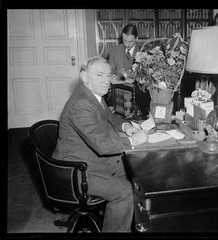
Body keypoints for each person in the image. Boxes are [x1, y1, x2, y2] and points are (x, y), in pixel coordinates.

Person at [52, 56, 149, 232]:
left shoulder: (93, 94)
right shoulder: (81, 103)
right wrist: (132, 141)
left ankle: (131, 222)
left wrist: (126, 126)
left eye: (108, 75)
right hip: (76, 171)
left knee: (137, 176)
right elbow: (102, 145)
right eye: (99, 75)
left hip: (88, 161)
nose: (106, 81)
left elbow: (110, 117)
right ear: (84, 76)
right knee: (125, 191)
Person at [108, 24, 151, 118]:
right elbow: (110, 70)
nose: (127, 44)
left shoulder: (144, 51)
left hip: (138, 93)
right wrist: (111, 76)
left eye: (130, 41)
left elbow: (147, 74)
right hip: (119, 90)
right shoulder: (114, 51)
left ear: (137, 38)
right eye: (124, 41)